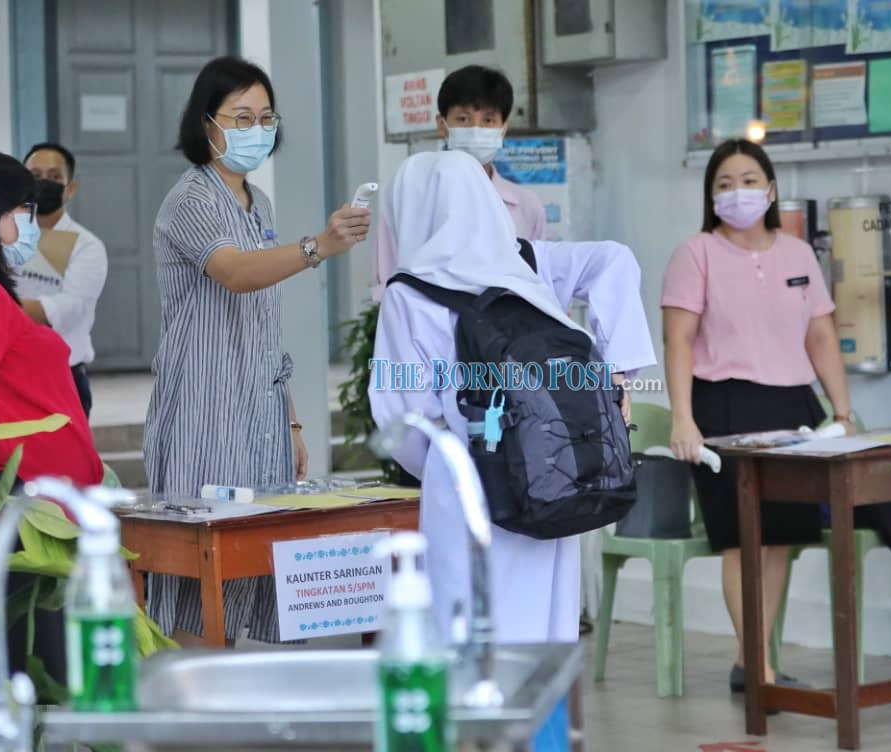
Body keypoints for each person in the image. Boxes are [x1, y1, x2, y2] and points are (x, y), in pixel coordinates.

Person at [369, 150, 655, 644]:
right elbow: (614, 259)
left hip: (466, 485)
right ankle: (544, 721)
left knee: (468, 629)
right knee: (547, 631)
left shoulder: (408, 293)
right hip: (552, 474)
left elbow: (403, 418)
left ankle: (480, 721)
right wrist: (617, 373)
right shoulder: (525, 264)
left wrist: (449, 463)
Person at [143, 56, 371, 646]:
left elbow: (266, 322)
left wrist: (291, 419)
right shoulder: (189, 199)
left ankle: (246, 701)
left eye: (265, 117)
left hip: (261, 411)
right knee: (203, 572)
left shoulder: (260, 204)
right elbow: (238, 273)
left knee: (256, 561)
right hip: (204, 412)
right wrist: (319, 245)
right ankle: (201, 707)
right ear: (206, 123)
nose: (255, 128)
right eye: (240, 116)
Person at [661, 138, 854, 691]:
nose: (737, 192)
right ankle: (760, 668)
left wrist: (842, 409)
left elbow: (821, 333)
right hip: (722, 406)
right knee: (742, 539)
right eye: (724, 184)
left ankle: (754, 662)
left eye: (748, 181)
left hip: (794, 406)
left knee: (780, 539)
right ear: (710, 196)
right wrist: (682, 418)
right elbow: (678, 340)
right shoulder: (694, 253)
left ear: (770, 190)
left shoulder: (797, 254)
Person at [0, 149, 105, 688]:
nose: (29, 222)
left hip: (35, 519)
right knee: (38, 677)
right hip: (19, 523)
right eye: (20, 209)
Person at [371, 65, 547, 301]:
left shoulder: (526, 205)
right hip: (426, 325)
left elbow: (540, 276)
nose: (476, 130)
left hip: (506, 330)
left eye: (488, 120)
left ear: (503, 128)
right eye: (463, 119)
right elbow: (389, 275)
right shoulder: (411, 192)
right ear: (442, 124)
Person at [13, 142, 109, 419]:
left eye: (54, 177)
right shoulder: (1, 236)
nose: (44, 183)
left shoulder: (87, 246)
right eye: (35, 174)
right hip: (7, 374)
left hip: (62, 378)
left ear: (70, 188)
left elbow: (70, 307)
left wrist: (0, 309)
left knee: (62, 463)